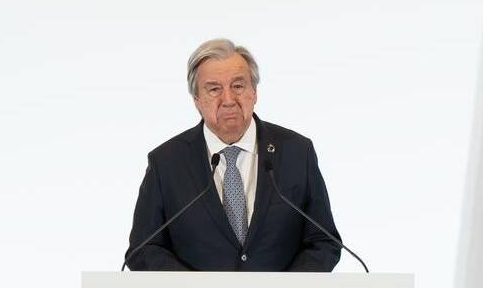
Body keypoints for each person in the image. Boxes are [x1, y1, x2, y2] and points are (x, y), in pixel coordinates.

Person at [125, 38, 342, 271]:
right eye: (214, 89)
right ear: (197, 100)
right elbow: (143, 249)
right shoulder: (166, 163)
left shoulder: (297, 152)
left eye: (238, 86)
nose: (228, 100)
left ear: (254, 92)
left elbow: (323, 242)